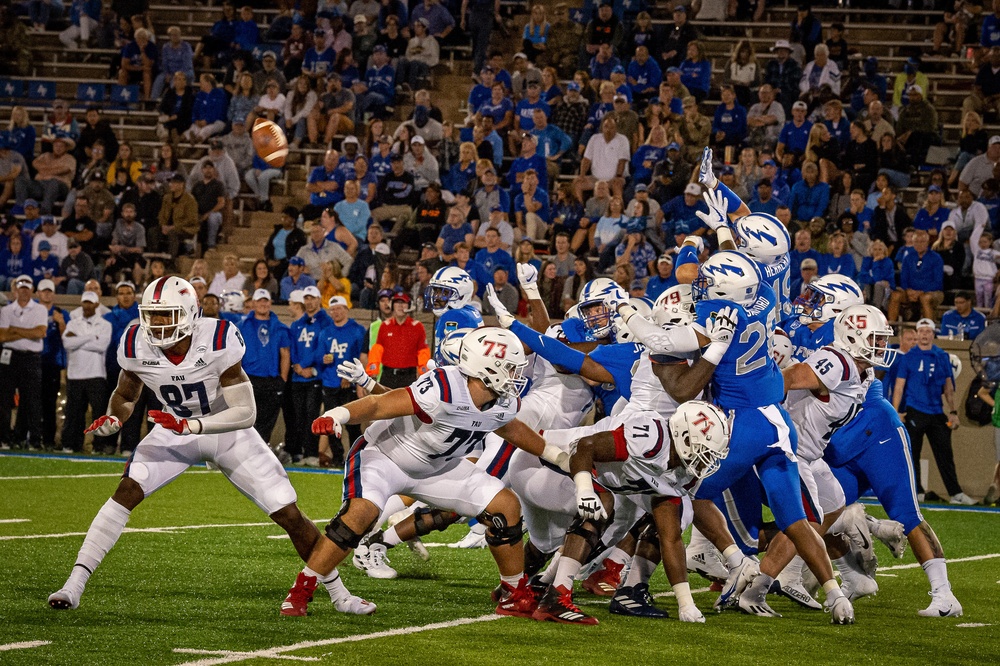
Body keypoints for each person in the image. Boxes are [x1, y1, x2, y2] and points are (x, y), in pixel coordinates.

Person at [48, 276, 372, 615]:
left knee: (286, 511)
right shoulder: (135, 341)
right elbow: (126, 395)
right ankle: (74, 583)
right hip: (173, 428)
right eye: (152, 315)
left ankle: (340, 594)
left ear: (188, 314)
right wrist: (115, 418)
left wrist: (192, 425)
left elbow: (245, 412)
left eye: (165, 315)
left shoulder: (217, 338)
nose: (155, 324)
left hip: (225, 429)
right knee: (126, 490)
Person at [893, 318, 976, 506]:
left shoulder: (942, 356)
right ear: (917, 333)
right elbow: (899, 386)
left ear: (933, 334)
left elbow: (948, 385)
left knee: (945, 453)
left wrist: (953, 411)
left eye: (927, 331)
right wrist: (896, 411)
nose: (924, 334)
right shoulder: (908, 357)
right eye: (920, 331)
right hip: (915, 410)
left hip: (936, 410)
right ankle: (917, 491)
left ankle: (955, 493)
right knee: (912, 453)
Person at [59, 291, 111, 453]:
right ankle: (70, 444)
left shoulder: (105, 325)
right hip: (75, 375)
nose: (87, 306)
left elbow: (101, 346)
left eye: (90, 303)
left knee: (98, 414)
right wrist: (90, 337)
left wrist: (79, 339)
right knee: (73, 413)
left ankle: (99, 445)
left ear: (96, 305)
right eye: (85, 303)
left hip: (96, 374)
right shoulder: (73, 323)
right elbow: (67, 342)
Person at [0, 275, 47, 449]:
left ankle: (34, 440)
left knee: (32, 400)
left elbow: (40, 333)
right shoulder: (6, 310)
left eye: (27, 286)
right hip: (9, 356)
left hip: (31, 358)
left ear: (32, 290)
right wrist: (28, 332)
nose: (24, 290)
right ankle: (4, 438)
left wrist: (14, 330)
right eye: (21, 286)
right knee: (4, 399)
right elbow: (2, 336)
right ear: (16, 289)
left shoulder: (40, 309)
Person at [368, 292, 428, 389]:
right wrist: (373, 372)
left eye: (403, 303)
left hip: (409, 377)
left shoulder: (417, 326)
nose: (400, 306)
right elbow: (377, 350)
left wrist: (424, 373)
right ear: (392, 306)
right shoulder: (385, 326)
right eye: (397, 303)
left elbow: (423, 351)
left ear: (409, 306)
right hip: (388, 376)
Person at [888, 229, 944, 323]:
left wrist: (921, 292)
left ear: (928, 242)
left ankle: (929, 329)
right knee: (895, 295)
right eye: (916, 242)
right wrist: (908, 290)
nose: (919, 244)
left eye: (922, 241)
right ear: (913, 242)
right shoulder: (908, 257)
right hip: (910, 292)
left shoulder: (936, 258)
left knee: (925, 298)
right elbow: (904, 279)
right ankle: (890, 328)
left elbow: (937, 282)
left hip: (932, 292)